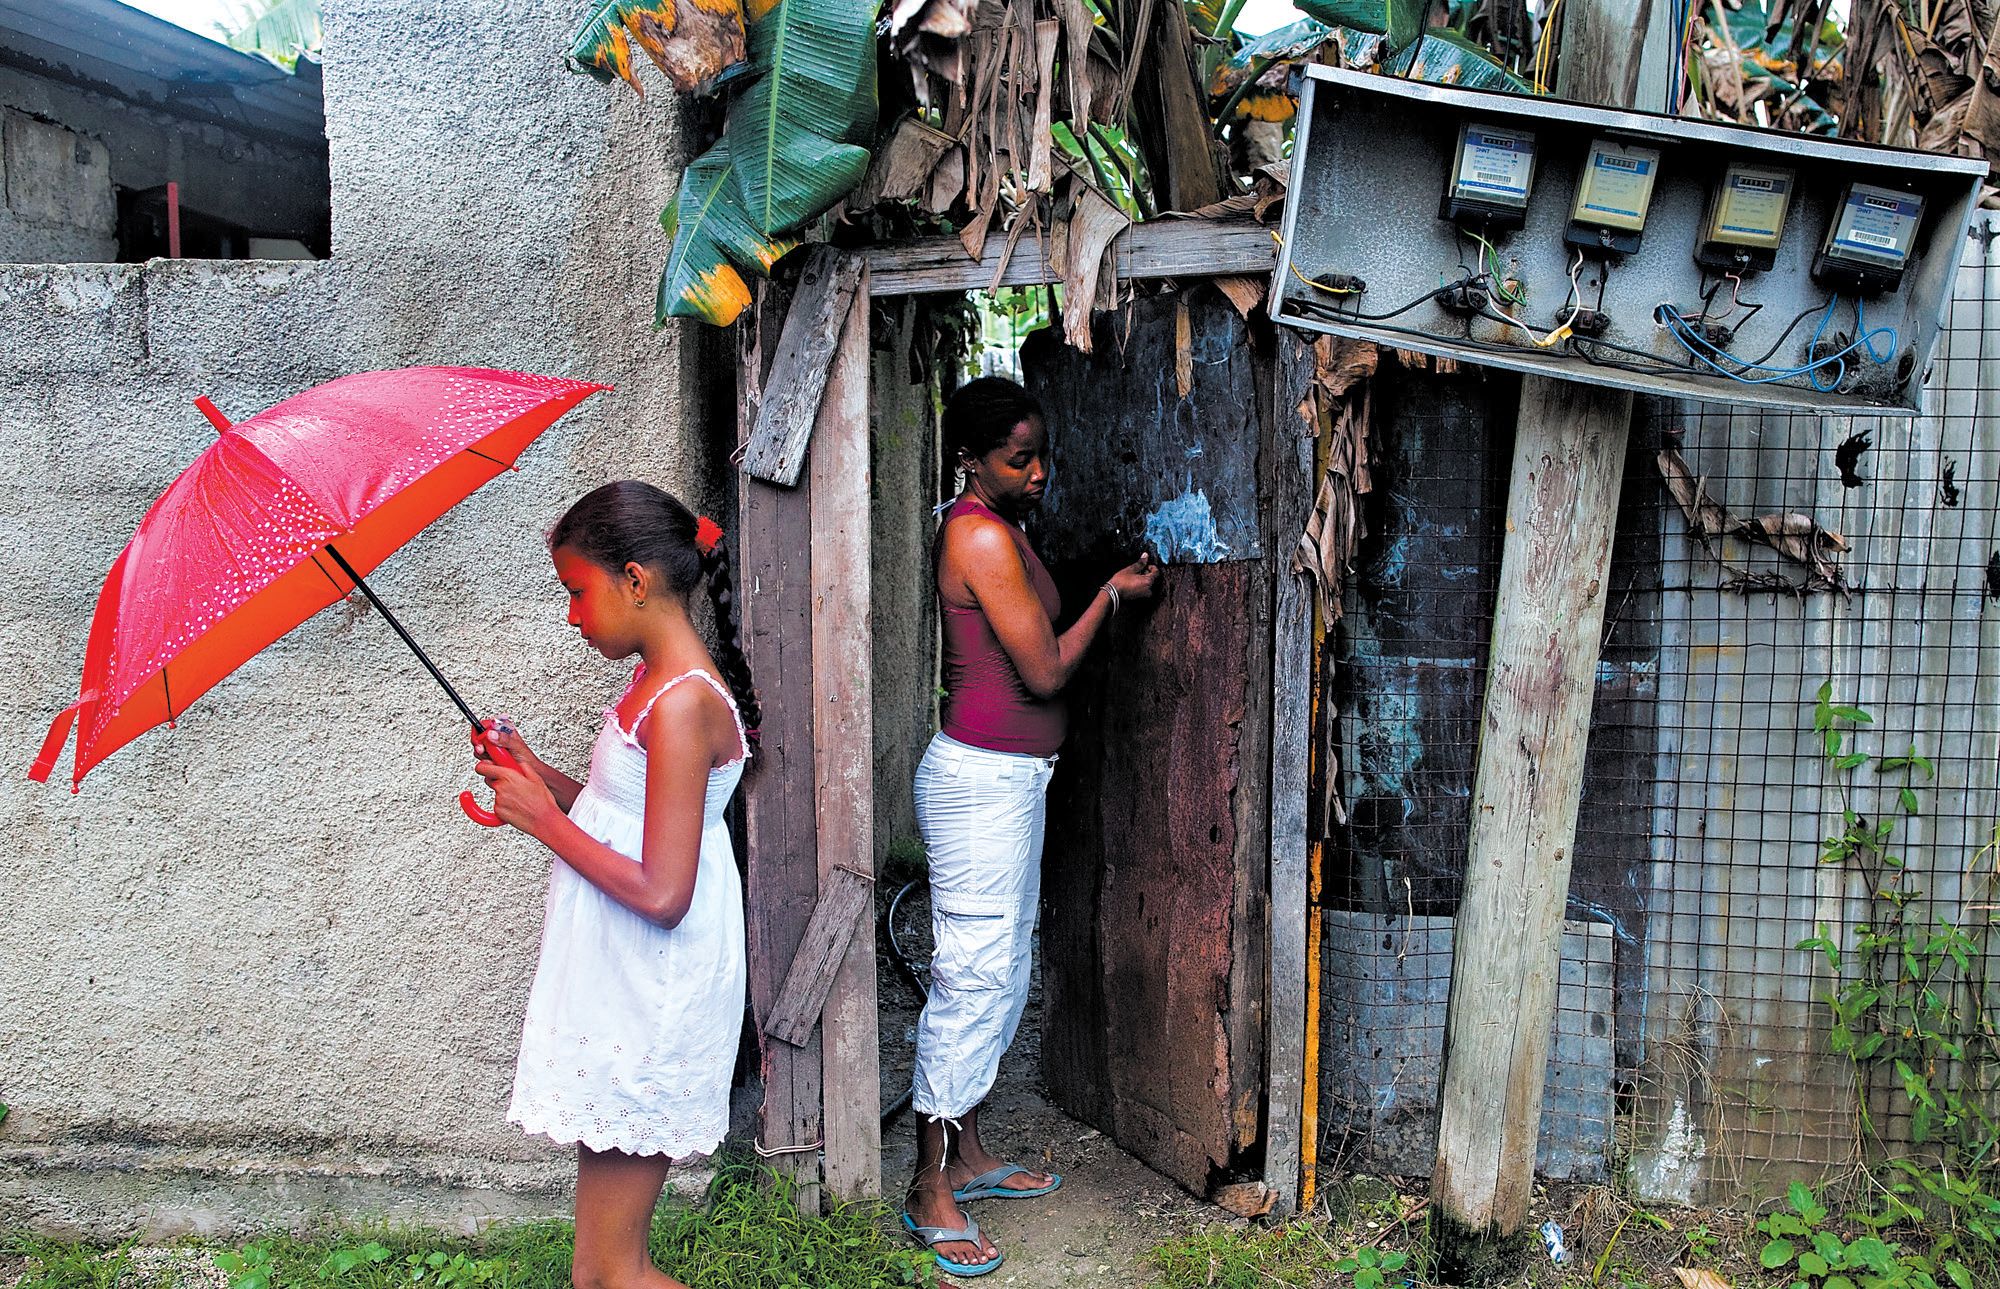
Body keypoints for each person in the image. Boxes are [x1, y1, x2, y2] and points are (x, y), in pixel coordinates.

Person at [901, 376, 1162, 1278]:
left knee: (1002, 969)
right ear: (973, 459)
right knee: (972, 976)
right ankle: (929, 1183)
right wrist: (1114, 598)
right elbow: (1045, 671)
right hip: (981, 785)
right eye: (1022, 457)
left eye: (1041, 451)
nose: (1041, 470)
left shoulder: (997, 524)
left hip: (1008, 780)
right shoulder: (977, 533)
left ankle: (967, 1152)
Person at [470, 480, 758, 1289]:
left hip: (653, 993)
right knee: (598, 1270)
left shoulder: (682, 703)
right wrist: (536, 777)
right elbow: (617, 813)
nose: (570, 614)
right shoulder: (650, 689)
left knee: (608, 1273)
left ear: (635, 580)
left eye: (575, 591)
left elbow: (666, 891)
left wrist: (543, 822)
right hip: (624, 983)